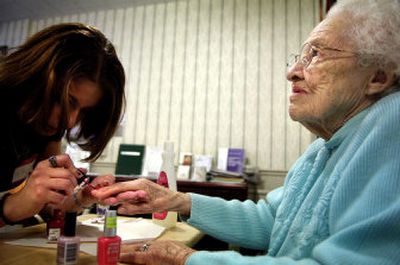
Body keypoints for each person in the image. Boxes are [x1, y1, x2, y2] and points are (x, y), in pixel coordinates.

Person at [93, 0, 400, 264]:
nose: (291, 72)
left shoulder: (392, 123)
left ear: (378, 76)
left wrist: (185, 258)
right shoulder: (325, 144)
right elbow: (270, 220)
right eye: (300, 57)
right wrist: (175, 200)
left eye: (317, 54)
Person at [0, 23, 125, 227]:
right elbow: (19, 205)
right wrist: (11, 208)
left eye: (84, 111)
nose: (70, 121)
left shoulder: (47, 125)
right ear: (33, 76)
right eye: (63, 100)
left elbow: (47, 205)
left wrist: (79, 199)